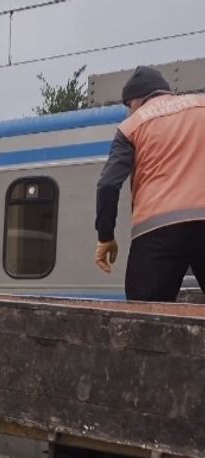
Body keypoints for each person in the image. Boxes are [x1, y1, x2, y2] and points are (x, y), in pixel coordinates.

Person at [95, 65, 205, 301]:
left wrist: (105, 236)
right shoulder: (201, 106)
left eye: (128, 107)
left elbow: (108, 185)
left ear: (135, 101)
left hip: (156, 230)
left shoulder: (131, 126)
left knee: (144, 320)